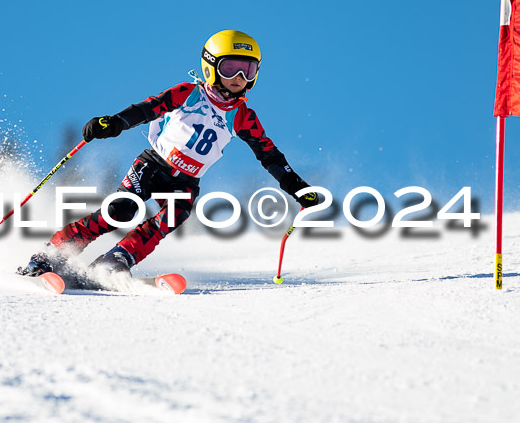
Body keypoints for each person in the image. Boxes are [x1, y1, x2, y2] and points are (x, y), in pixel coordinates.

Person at [17, 30, 318, 286]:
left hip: (187, 182)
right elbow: (148, 108)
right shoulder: (188, 94)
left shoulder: (242, 116)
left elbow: (270, 156)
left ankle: (116, 260)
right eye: (231, 68)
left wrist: (298, 187)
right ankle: (52, 253)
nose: (239, 77)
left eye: (248, 70)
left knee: (171, 217)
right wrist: (115, 123)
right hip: (153, 165)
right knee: (120, 211)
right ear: (211, 66)